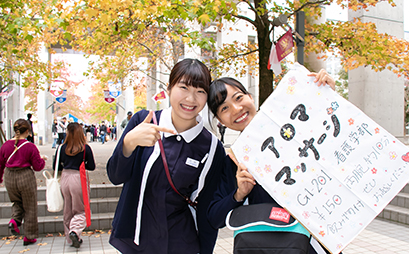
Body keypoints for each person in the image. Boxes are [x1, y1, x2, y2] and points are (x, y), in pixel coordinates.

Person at [207, 71, 336, 254]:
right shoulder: (235, 161)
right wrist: (239, 194)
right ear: (221, 121)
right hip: (271, 247)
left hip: (319, 242)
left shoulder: (295, 128)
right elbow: (214, 217)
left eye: (238, 98)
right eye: (224, 108)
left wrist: (326, 96)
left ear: (250, 97)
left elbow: (331, 139)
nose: (236, 109)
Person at [106, 58, 227, 254]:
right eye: (184, 87)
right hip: (135, 238)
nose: (191, 99)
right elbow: (115, 176)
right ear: (169, 89)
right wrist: (129, 143)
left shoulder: (211, 147)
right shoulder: (142, 121)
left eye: (200, 91)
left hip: (180, 241)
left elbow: (205, 206)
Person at [0, 119, 47, 246]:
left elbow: (0, 164)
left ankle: (15, 221)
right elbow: (37, 166)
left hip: (9, 176)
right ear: (27, 131)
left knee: (16, 202)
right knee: (30, 206)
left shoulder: (5, 146)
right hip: (25, 176)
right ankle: (29, 236)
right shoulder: (30, 146)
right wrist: (42, 160)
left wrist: (0, 179)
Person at [53, 122, 96, 248]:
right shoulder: (85, 148)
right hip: (79, 178)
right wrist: (83, 163)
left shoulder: (61, 148)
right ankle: (75, 231)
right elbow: (92, 166)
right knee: (81, 209)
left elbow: (56, 165)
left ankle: (70, 239)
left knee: (68, 209)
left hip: (65, 178)